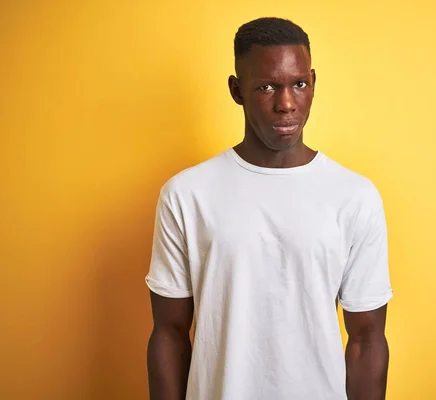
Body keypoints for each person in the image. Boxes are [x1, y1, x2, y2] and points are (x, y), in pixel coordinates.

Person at [145, 16, 393, 400]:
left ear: (313, 82)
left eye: (299, 84)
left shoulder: (354, 196)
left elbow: (367, 338)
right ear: (236, 89)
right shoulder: (186, 194)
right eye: (266, 87)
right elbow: (169, 334)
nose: (287, 103)